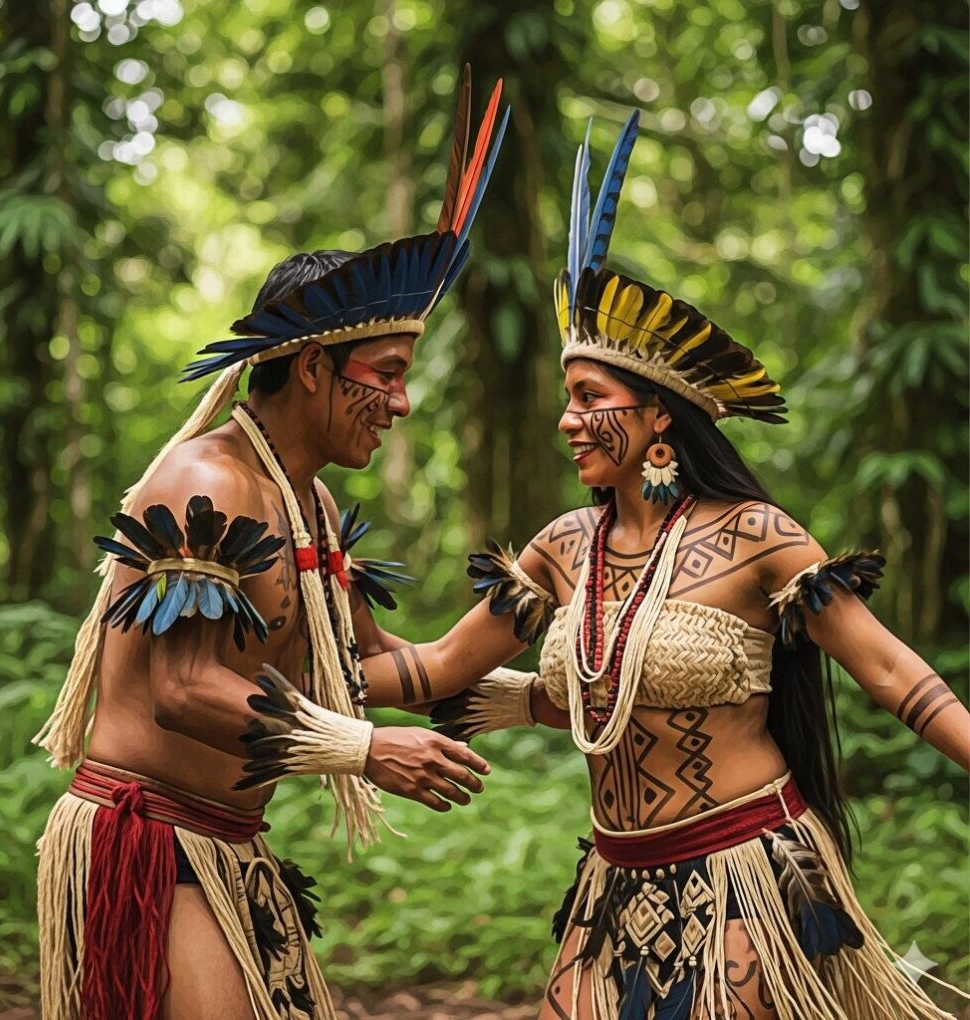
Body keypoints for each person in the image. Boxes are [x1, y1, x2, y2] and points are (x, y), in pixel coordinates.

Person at [355, 112, 970, 1018]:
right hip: (615, 879)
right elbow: (439, 669)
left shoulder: (757, 535)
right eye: (566, 398)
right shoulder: (563, 547)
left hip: (748, 868)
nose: (567, 420)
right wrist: (317, 636)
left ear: (658, 417)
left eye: (589, 397)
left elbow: (890, 672)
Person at [33, 67, 509, 1020]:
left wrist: (535, 665)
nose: (401, 403)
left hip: (229, 842)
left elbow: (365, 670)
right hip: (151, 836)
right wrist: (363, 751)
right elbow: (182, 690)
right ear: (312, 367)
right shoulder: (208, 483)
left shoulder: (311, 507)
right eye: (385, 374)